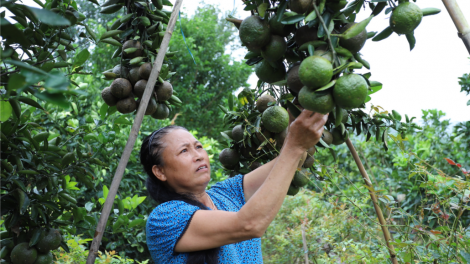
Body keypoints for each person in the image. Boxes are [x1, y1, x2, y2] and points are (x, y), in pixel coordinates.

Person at [141, 109, 327, 264]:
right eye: (184, 151)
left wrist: (305, 108)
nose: (198, 155)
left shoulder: (228, 192)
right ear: (160, 172)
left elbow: (289, 161)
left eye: (198, 146)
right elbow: (250, 224)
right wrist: (294, 145)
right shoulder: (165, 219)